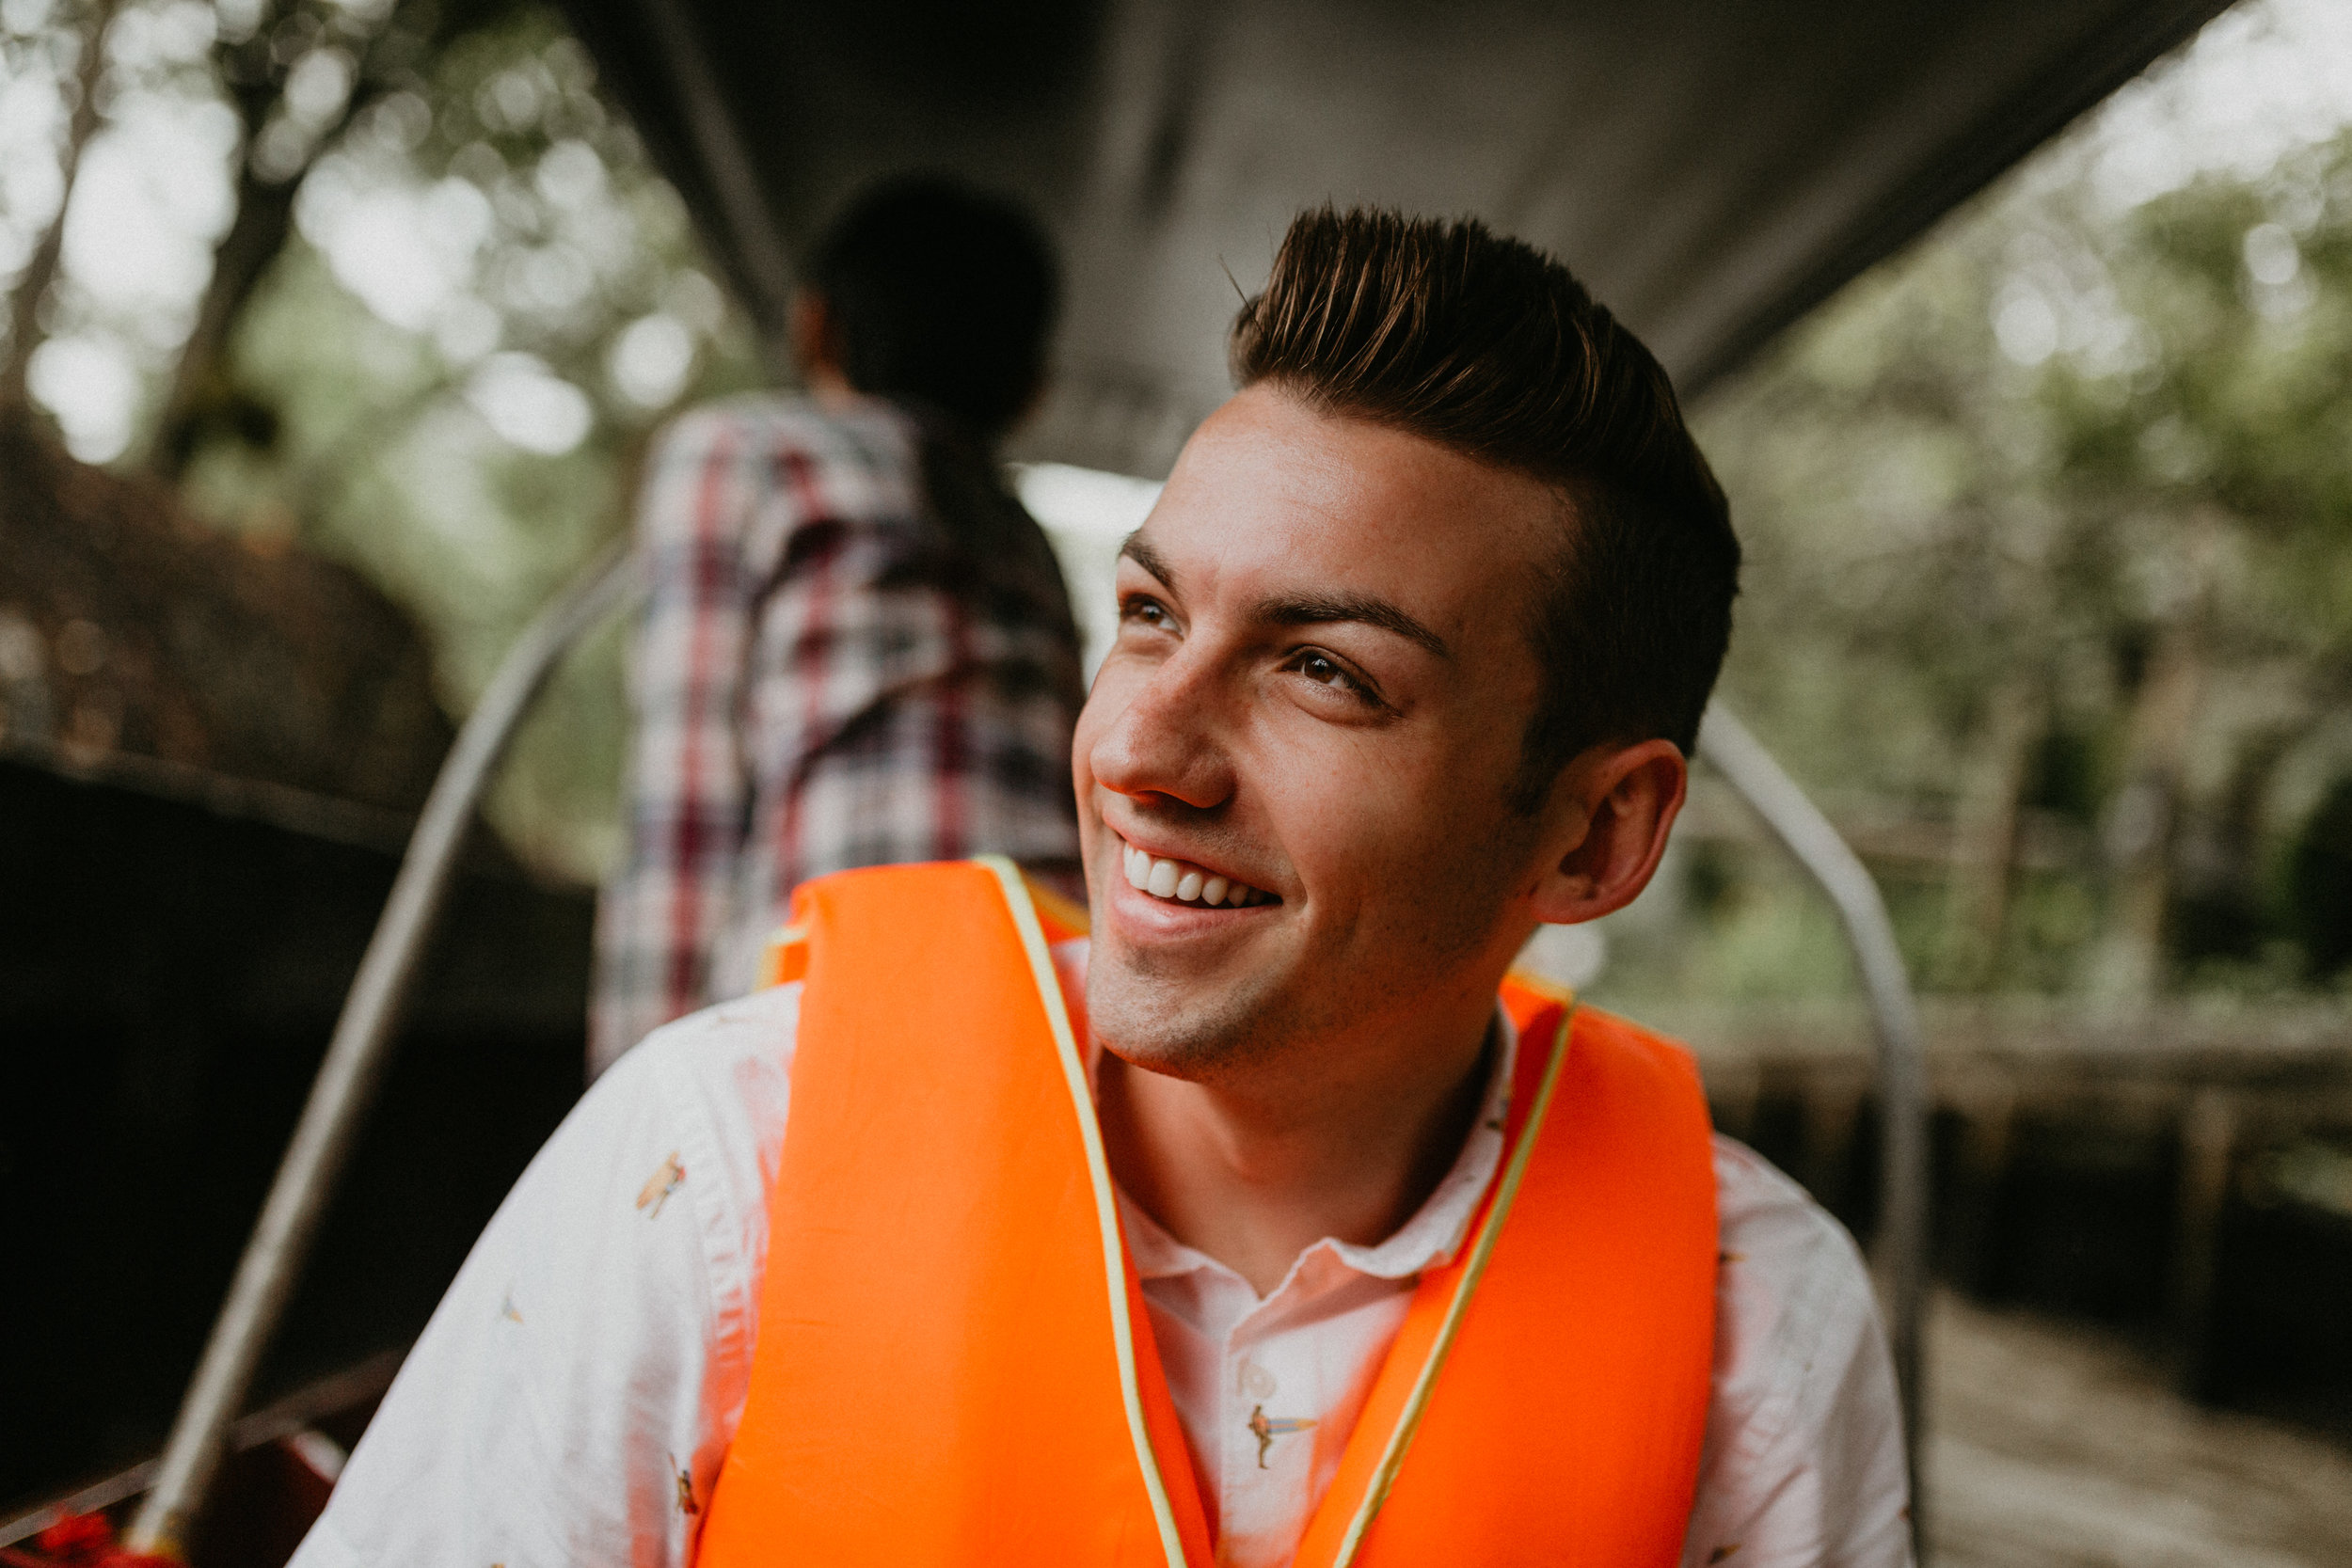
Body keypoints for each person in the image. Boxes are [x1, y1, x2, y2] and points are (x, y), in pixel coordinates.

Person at [295, 207, 1912, 1567]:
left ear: (1593, 840)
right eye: (1146, 614)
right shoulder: (713, 1174)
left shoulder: (1761, 1324)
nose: (1140, 748)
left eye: (1326, 674)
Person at [590, 175, 1088, 1075]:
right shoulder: (1030, 547)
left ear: (813, 326)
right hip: (1057, 995)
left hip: (831, 993)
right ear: (1030, 394)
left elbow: (685, 805)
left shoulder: (742, 455)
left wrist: (629, 1104)